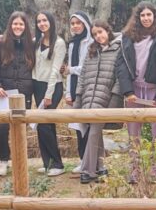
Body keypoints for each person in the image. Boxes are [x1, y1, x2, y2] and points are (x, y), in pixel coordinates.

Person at [115, 1, 156, 181]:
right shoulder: (127, 37)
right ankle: (135, 169)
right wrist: (127, 91)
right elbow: (121, 65)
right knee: (133, 131)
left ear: (155, 17)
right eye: (142, 15)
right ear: (137, 17)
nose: (146, 18)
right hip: (134, 90)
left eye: (149, 15)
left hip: (155, 90)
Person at [0, 12, 35, 177]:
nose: (18, 27)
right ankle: (3, 160)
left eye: (21, 24)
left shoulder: (31, 45)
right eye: (15, 24)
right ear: (10, 25)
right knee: (2, 128)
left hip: (24, 93)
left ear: (25, 26)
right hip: (4, 92)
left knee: (21, 127)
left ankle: (20, 159)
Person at [74, 21, 121, 184]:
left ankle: (87, 170)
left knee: (94, 132)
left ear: (108, 30)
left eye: (100, 32)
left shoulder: (119, 49)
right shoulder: (91, 51)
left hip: (106, 99)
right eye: (95, 34)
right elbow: (82, 76)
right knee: (95, 132)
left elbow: (120, 78)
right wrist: (78, 98)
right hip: (88, 98)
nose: (98, 36)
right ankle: (100, 167)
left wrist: (114, 100)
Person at [31, 11, 67, 177]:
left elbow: (55, 70)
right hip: (37, 85)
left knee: (44, 123)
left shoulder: (59, 43)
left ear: (51, 22)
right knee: (43, 125)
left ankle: (58, 164)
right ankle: (48, 164)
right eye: (39, 21)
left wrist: (49, 94)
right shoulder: (36, 41)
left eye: (44, 20)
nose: (42, 24)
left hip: (52, 87)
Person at [64, 11, 93, 174]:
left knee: (89, 126)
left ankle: (91, 161)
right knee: (78, 126)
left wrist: (71, 70)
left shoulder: (91, 42)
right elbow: (69, 72)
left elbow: (88, 68)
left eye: (78, 23)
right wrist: (68, 93)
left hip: (88, 89)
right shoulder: (72, 44)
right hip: (74, 90)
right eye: (73, 23)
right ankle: (82, 160)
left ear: (85, 24)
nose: (75, 26)